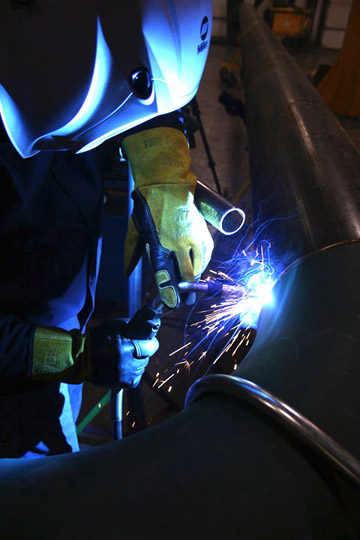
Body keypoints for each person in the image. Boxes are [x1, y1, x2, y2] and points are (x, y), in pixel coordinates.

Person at [0, 0, 214, 457]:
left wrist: (164, 181)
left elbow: (143, 82)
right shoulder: (38, 71)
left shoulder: (72, 42)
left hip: (57, 353)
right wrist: (71, 355)